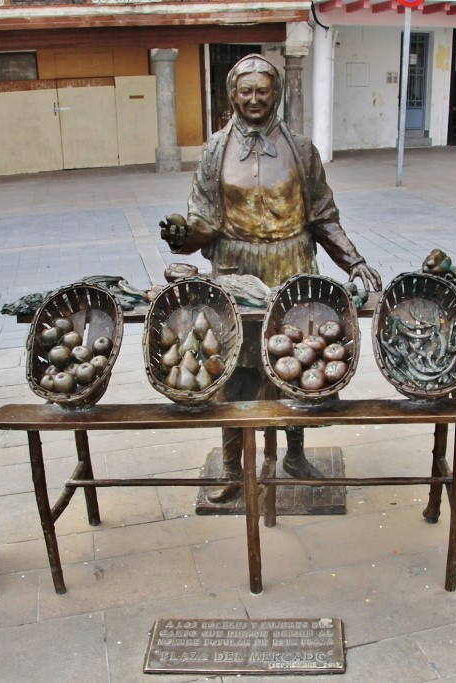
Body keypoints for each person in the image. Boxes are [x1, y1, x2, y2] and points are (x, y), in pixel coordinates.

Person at [160, 54, 381, 503]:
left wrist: (353, 261)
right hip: (235, 269)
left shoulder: (301, 149)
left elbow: (323, 216)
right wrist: (184, 236)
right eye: (247, 91)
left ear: (276, 94)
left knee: (300, 364)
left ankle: (295, 455)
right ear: (233, 95)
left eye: (263, 91)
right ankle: (230, 467)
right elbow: (203, 221)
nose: (255, 99)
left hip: (292, 264)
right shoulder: (215, 151)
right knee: (233, 368)